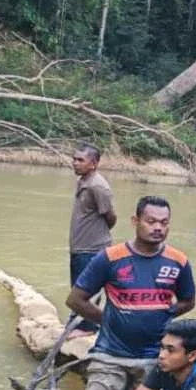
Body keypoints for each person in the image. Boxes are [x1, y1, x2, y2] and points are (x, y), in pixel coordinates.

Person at [51, 196, 196, 390]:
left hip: (153, 360)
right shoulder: (110, 258)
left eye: (164, 223)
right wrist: (108, 320)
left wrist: (164, 314)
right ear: (135, 221)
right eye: (151, 221)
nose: (158, 228)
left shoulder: (178, 261)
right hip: (110, 356)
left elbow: (188, 300)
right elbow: (76, 299)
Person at [69, 143, 117, 336]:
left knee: (85, 291)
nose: (75, 163)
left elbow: (111, 217)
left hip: (92, 248)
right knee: (77, 287)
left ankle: (87, 327)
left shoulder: (98, 186)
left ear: (94, 164)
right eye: (74, 159)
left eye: (81, 160)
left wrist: (99, 235)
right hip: (80, 246)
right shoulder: (83, 181)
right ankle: (77, 322)